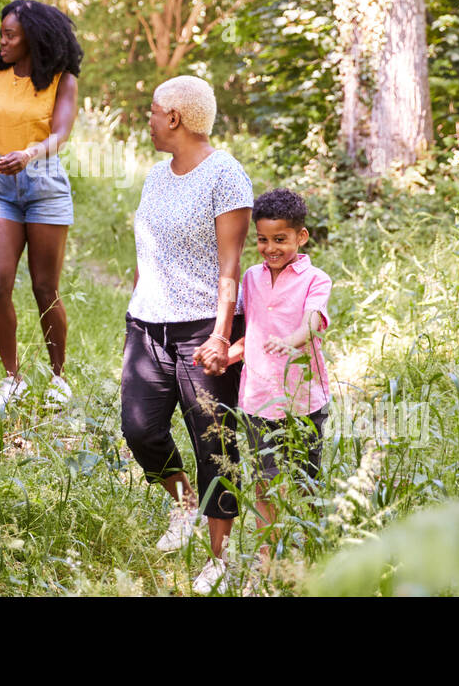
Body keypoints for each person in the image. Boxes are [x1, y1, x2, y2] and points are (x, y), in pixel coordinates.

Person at [119, 75, 253, 595]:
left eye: (153, 111)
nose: (148, 118)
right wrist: (135, 311)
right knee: (140, 429)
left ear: (174, 117)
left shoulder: (226, 175)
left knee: (213, 444)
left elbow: (231, 267)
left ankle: (221, 556)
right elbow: (147, 253)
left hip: (203, 329)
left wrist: (221, 336)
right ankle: (183, 508)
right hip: (147, 325)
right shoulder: (156, 175)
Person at [0, 0, 82, 410]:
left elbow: (60, 134)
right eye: (1, 33)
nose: (2, 41)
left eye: (10, 35)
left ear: (33, 38)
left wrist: (30, 154)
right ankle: (12, 378)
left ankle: (58, 377)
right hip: (2, 188)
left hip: (45, 185)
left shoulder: (62, 79)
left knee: (44, 288)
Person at [226, 188, 332, 587]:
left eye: (280, 239)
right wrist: (225, 354)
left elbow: (313, 321)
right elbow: (249, 334)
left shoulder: (315, 280)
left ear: (301, 237)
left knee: (306, 482)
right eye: (263, 239)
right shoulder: (250, 278)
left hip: (305, 400)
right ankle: (264, 563)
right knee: (266, 484)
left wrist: (291, 341)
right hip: (257, 399)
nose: (270, 248)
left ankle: (306, 560)